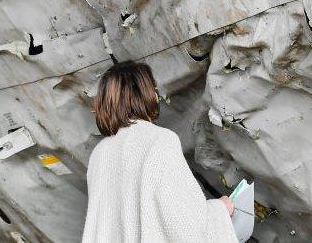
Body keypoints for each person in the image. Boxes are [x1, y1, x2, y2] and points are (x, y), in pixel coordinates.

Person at [82, 61, 237, 242]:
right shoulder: (160, 140)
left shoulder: (100, 153)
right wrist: (220, 210)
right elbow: (184, 225)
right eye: (154, 89)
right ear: (147, 94)